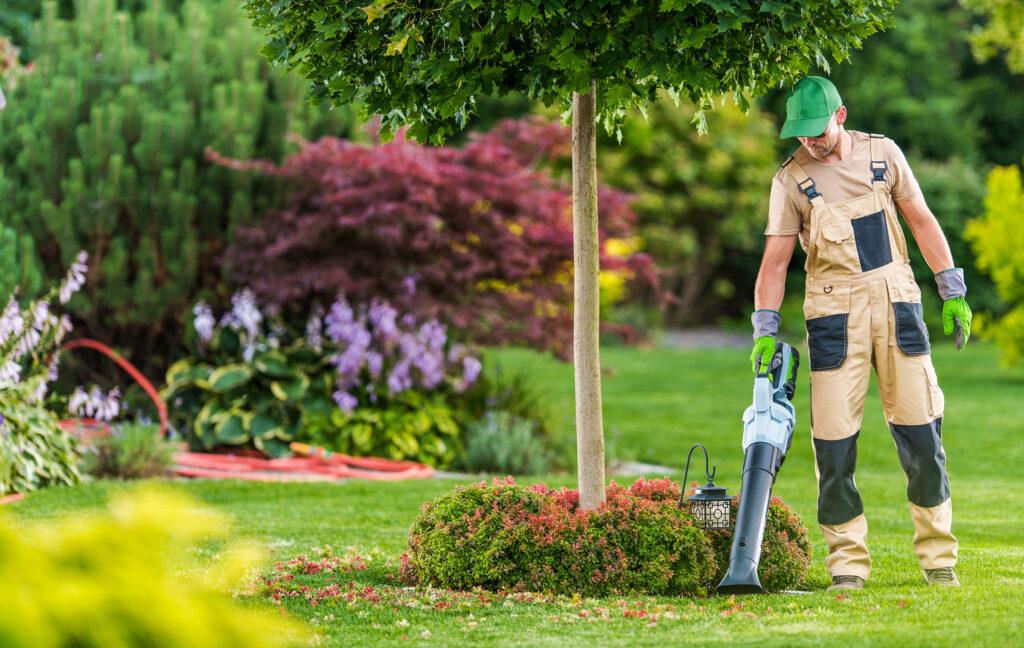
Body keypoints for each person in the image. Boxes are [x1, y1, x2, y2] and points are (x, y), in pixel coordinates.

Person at [750, 76, 972, 591]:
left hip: (896, 303)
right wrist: (765, 326)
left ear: (840, 116)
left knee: (922, 436)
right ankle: (847, 565)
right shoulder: (790, 181)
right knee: (833, 446)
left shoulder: (883, 155)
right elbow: (776, 261)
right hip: (832, 314)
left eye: (817, 131)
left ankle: (939, 558)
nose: (809, 141)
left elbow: (921, 220)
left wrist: (951, 288)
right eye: (800, 135)